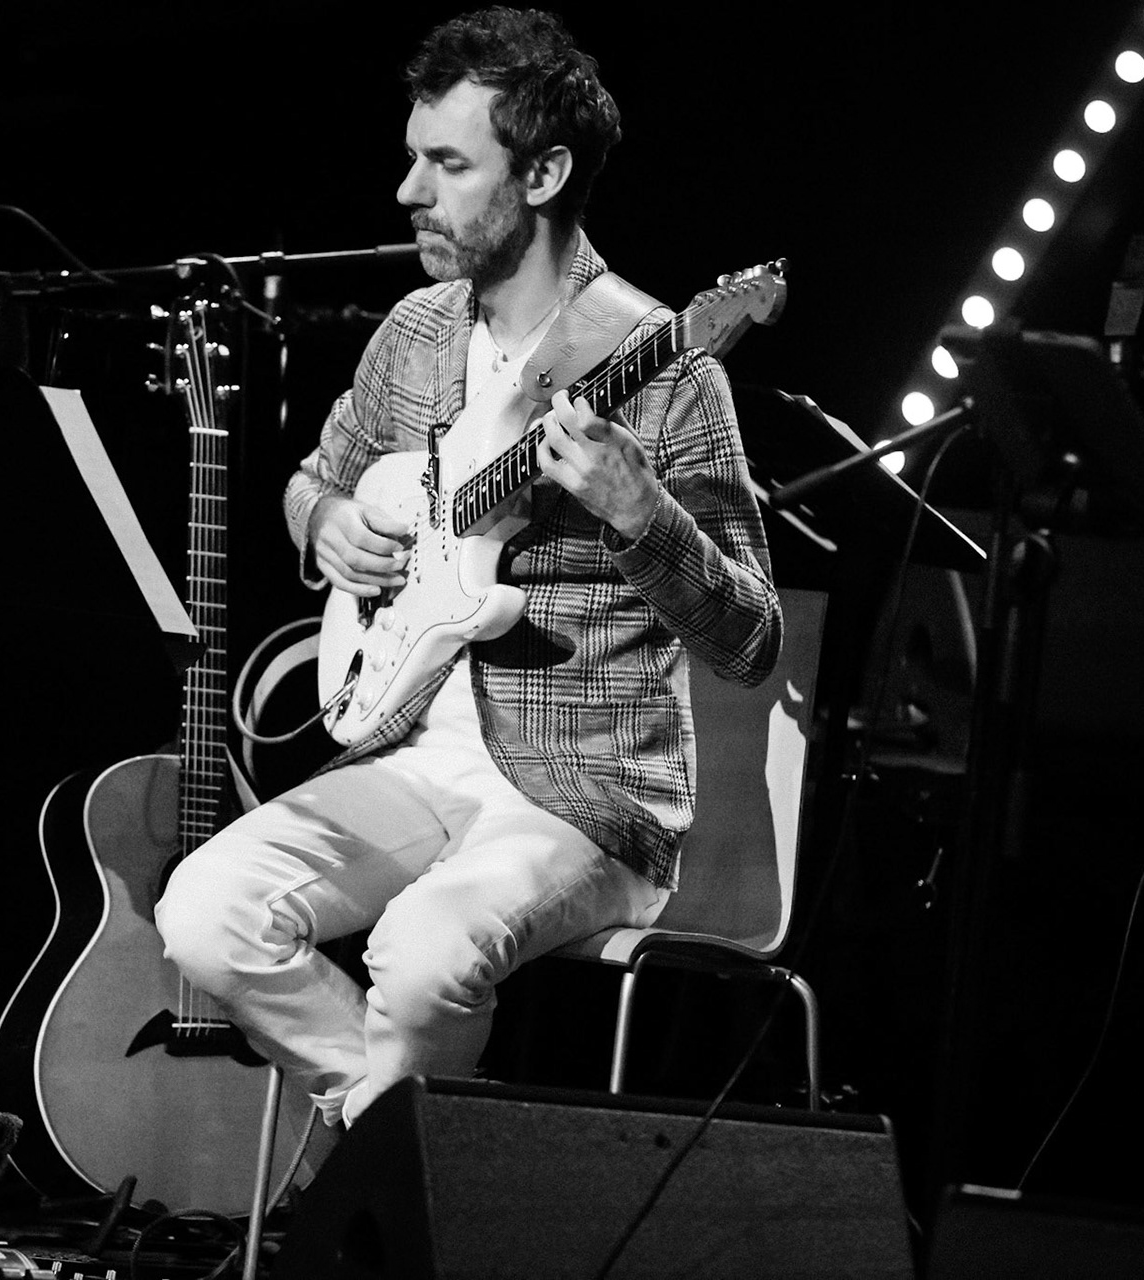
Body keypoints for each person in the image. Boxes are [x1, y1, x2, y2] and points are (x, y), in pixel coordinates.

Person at [154, 6, 782, 1138]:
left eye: (447, 163)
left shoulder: (669, 367)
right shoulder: (415, 332)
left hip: (588, 793)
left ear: (542, 173)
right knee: (206, 907)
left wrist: (644, 515)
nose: (408, 189)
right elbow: (311, 478)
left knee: (422, 949)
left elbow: (751, 637)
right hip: (408, 755)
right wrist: (329, 520)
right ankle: (410, 1160)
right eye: (413, 156)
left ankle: (394, 1194)